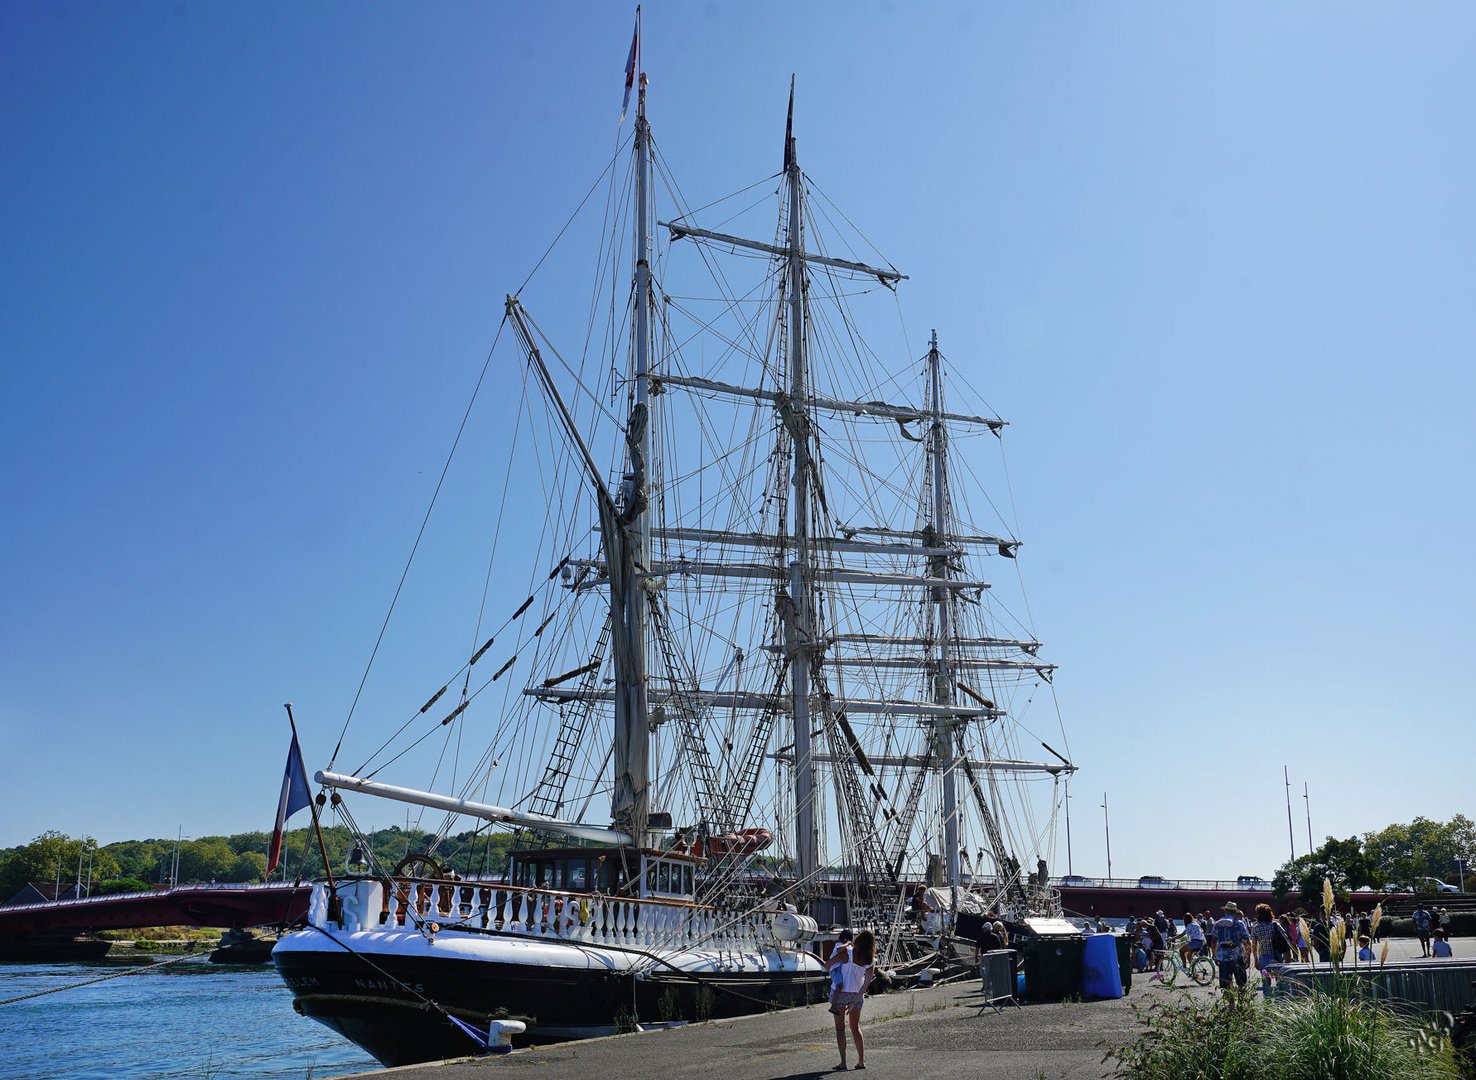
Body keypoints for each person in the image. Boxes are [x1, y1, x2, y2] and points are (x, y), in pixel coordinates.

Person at [831, 928, 875, 1071]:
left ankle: (843, 1063)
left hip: (841, 993)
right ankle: (861, 1061)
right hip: (857, 994)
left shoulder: (848, 953)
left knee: (840, 1029)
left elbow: (830, 964)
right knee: (855, 1028)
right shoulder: (871, 961)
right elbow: (866, 983)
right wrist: (855, 1000)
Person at [1213, 902, 1252, 989]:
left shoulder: (1218, 923)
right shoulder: (1240, 924)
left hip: (1223, 958)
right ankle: (1241, 1001)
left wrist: (1214, 955)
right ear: (1235, 912)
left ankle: (1231, 1003)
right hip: (1237, 957)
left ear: (1225, 911)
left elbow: (1213, 940)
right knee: (1241, 983)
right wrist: (1248, 957)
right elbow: (1247, 941)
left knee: (1226, 985)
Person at [827, 929, 854, 1010]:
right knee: (839, 986)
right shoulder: (838, 944)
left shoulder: (843, 945)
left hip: (837, 968)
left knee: (840, 985)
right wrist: (848, 943)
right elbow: (839, 949)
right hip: (835, 968)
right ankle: (833, 1006)